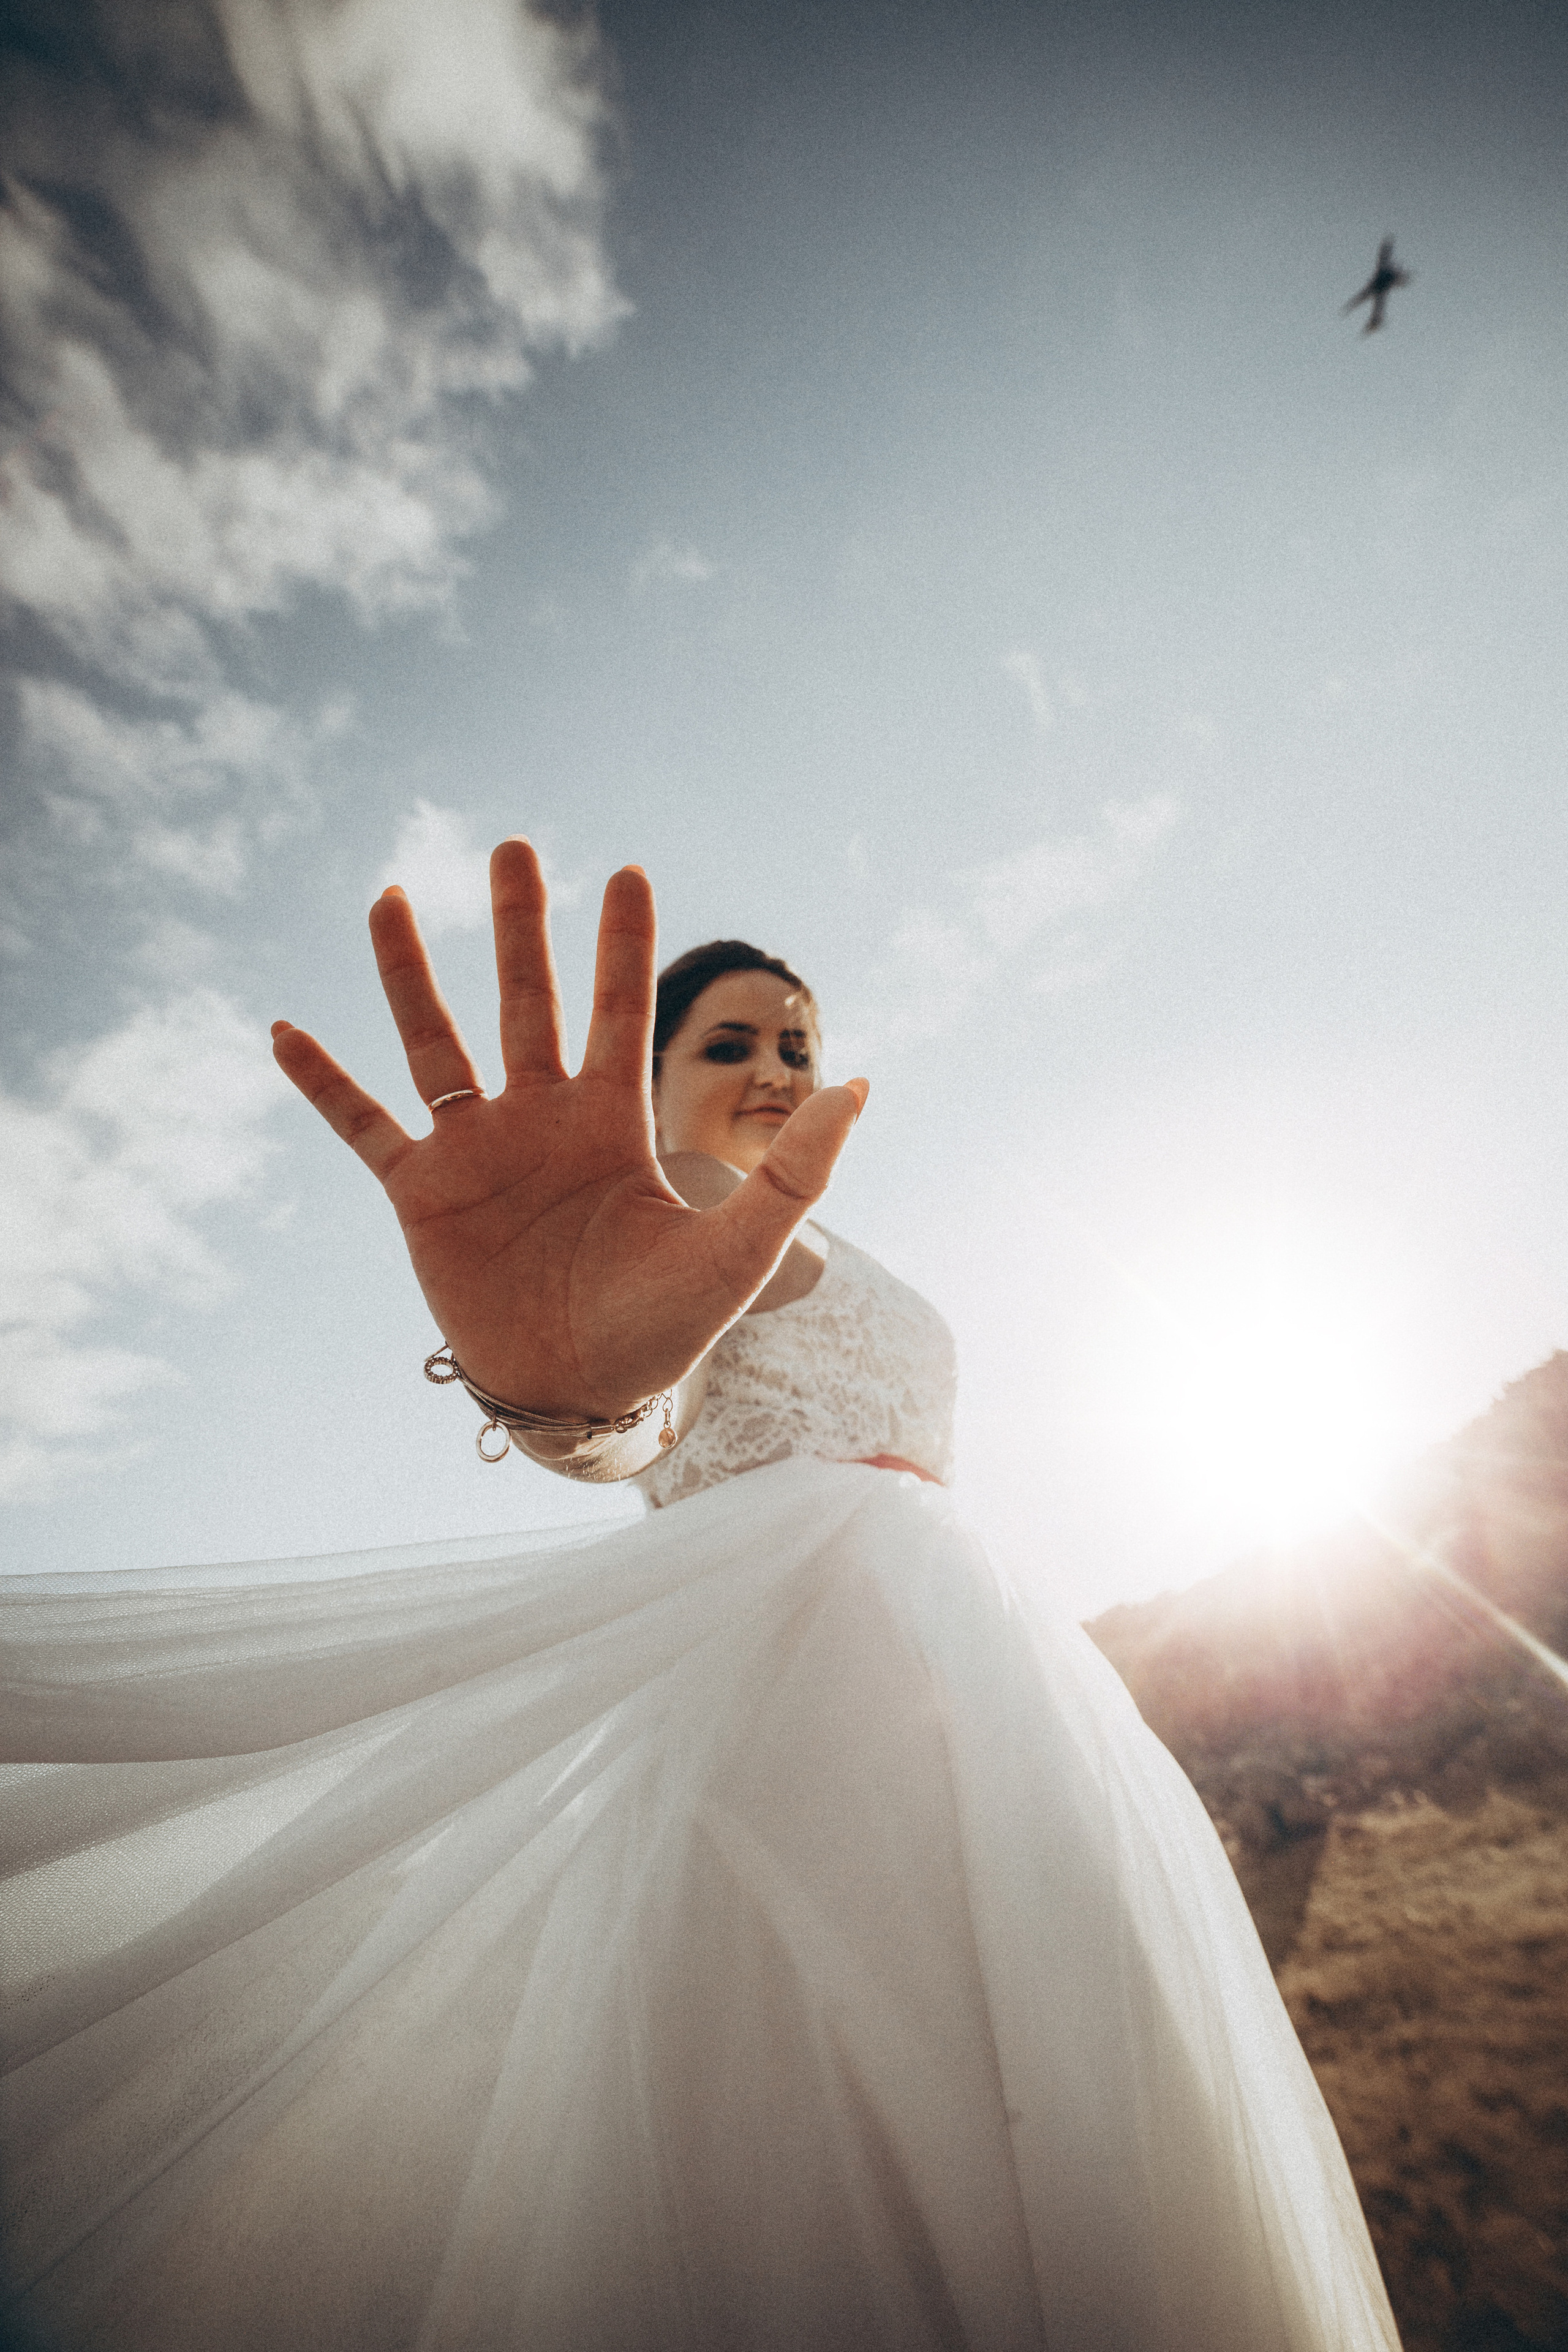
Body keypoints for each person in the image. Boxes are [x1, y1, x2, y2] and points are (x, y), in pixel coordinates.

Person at [1, 842, 1401, 2352]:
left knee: (1062, 2088)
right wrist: (563, 1400)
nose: (776, 1068)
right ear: (642, 1079)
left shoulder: (814, 1222)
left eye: (797, 1041)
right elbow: (637, 1414)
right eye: (729, 1043)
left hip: (978, 1672)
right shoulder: (671, 1200)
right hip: (796, 1679)